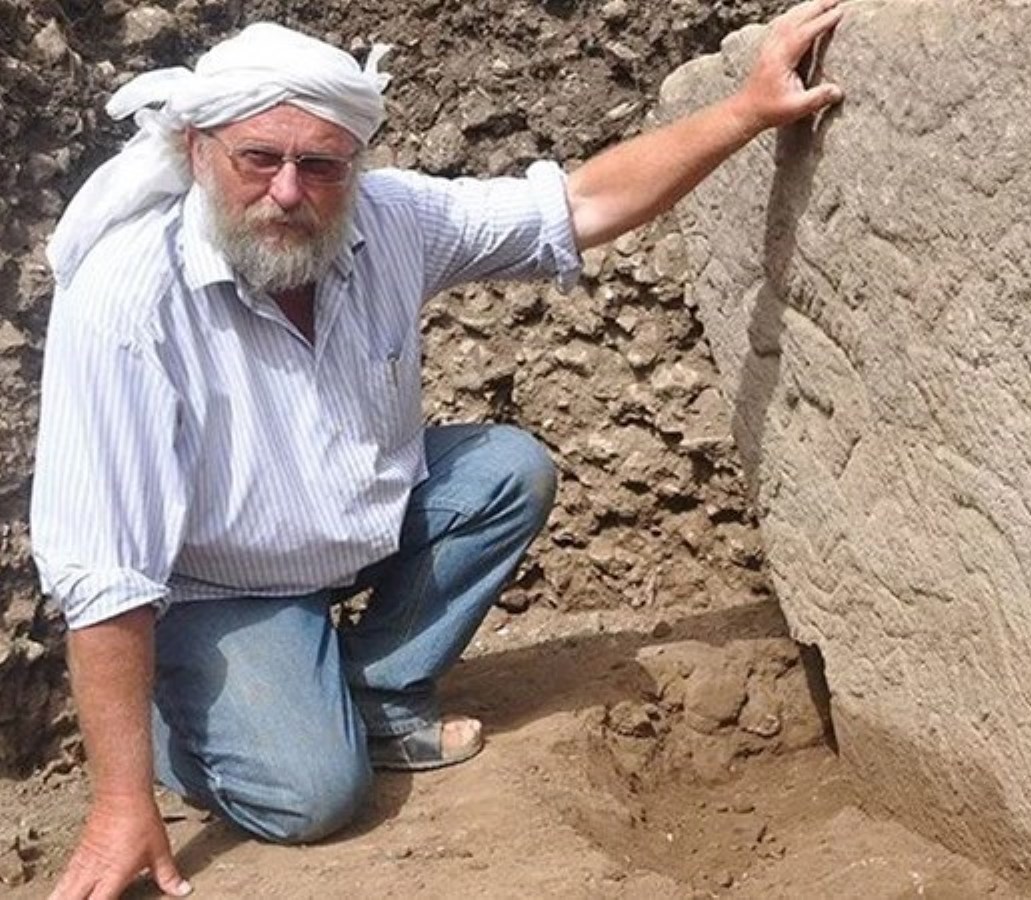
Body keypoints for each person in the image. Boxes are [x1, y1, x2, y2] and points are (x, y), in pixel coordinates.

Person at [31, 2, 844, 897]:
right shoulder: (128, 300)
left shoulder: (393, 220)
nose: (290, 192)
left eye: (321, 165)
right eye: (258, 159)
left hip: (352, 530)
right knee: (314, 798)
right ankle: (182, 727)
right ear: (197, 152)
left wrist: (747, 109)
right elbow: (105, 569)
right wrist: (121, 801)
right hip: (216, 590)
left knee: (505, 472)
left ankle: (373, 698)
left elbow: (578, 204)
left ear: (355, 162)